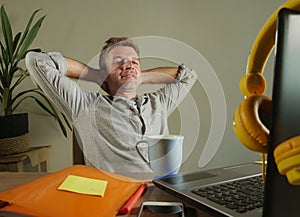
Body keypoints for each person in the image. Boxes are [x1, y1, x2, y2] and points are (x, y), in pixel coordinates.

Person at [25, 37, 197, 174]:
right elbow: (36, 61)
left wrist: (139, 75)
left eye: (134, 61)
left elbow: (188, 75)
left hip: (162, 196)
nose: (128, 65)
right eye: (118, 62)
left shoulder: (158, 103)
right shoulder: (86, 106)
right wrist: (95, 75)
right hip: (117, 202)